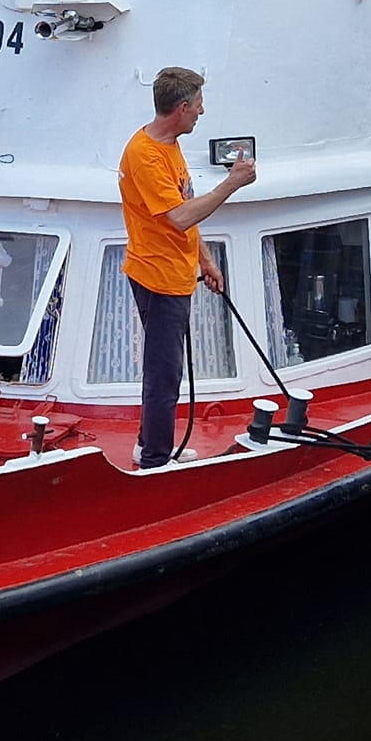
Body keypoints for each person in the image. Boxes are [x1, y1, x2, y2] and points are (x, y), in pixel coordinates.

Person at [118, 67, 256, 468]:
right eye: (197, 105)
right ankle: (155, 459)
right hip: (158, 279)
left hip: (173, 271)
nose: (202, 111)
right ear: (180, 108)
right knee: (164, 375)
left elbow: (184, 211)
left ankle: (150, 444)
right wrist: (230, 184)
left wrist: (206, 259)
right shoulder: (146, 156)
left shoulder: (169, 144)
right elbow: (178, 217)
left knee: (166, 369)